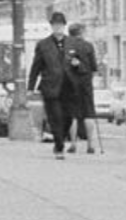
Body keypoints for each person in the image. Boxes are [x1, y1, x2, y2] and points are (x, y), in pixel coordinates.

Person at [27, 11, 79, 160]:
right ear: (51, 26)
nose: (58, 28)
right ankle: (59, 145)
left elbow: (82, 65)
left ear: (64, 26)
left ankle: (60, 138)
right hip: (50, 86)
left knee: (68, 117)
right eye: (55, 25)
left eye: (60, 25)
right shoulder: (43, 45)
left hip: (69, 86)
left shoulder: (73, 43)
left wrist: (78, 65)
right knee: (55, 116)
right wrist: (31, 87)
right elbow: (36, 66)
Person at [65, 22, 101, 154]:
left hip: (70, 84)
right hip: (85, 83)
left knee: (73, 115)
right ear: (81, 32)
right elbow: (94, 68)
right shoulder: (88, 46)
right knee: (88, 113)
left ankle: (73, 144)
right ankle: (90, 145)